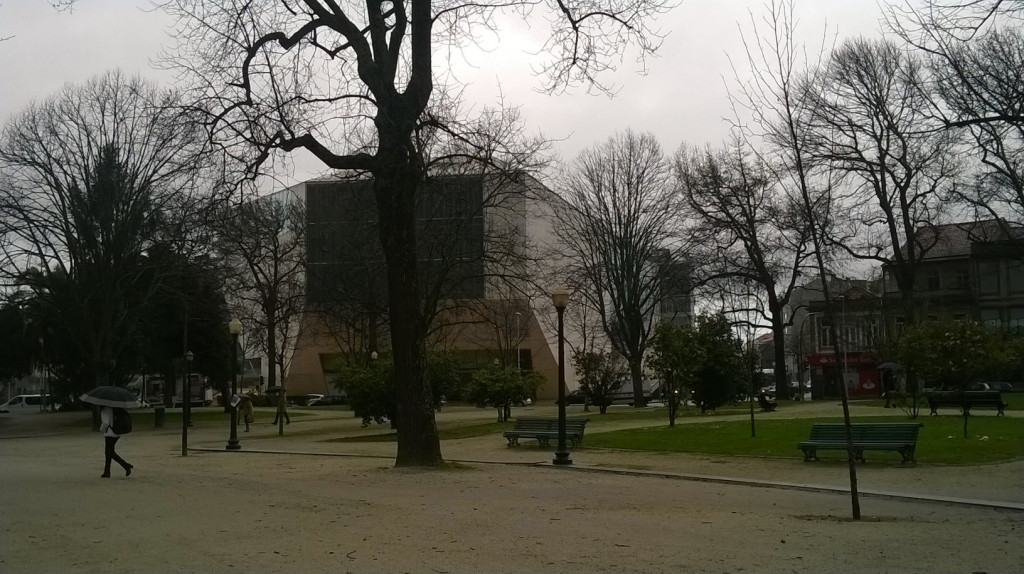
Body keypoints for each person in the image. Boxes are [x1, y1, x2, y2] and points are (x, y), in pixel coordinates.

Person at [99, 406, 133, 478]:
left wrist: (101, 430)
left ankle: (125, 465)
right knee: (109, 452)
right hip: (117, 432)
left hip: (109, 433)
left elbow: (105, 423)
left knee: (109, 452)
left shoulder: (104, 410)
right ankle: (107, 471)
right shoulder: (115, 408)